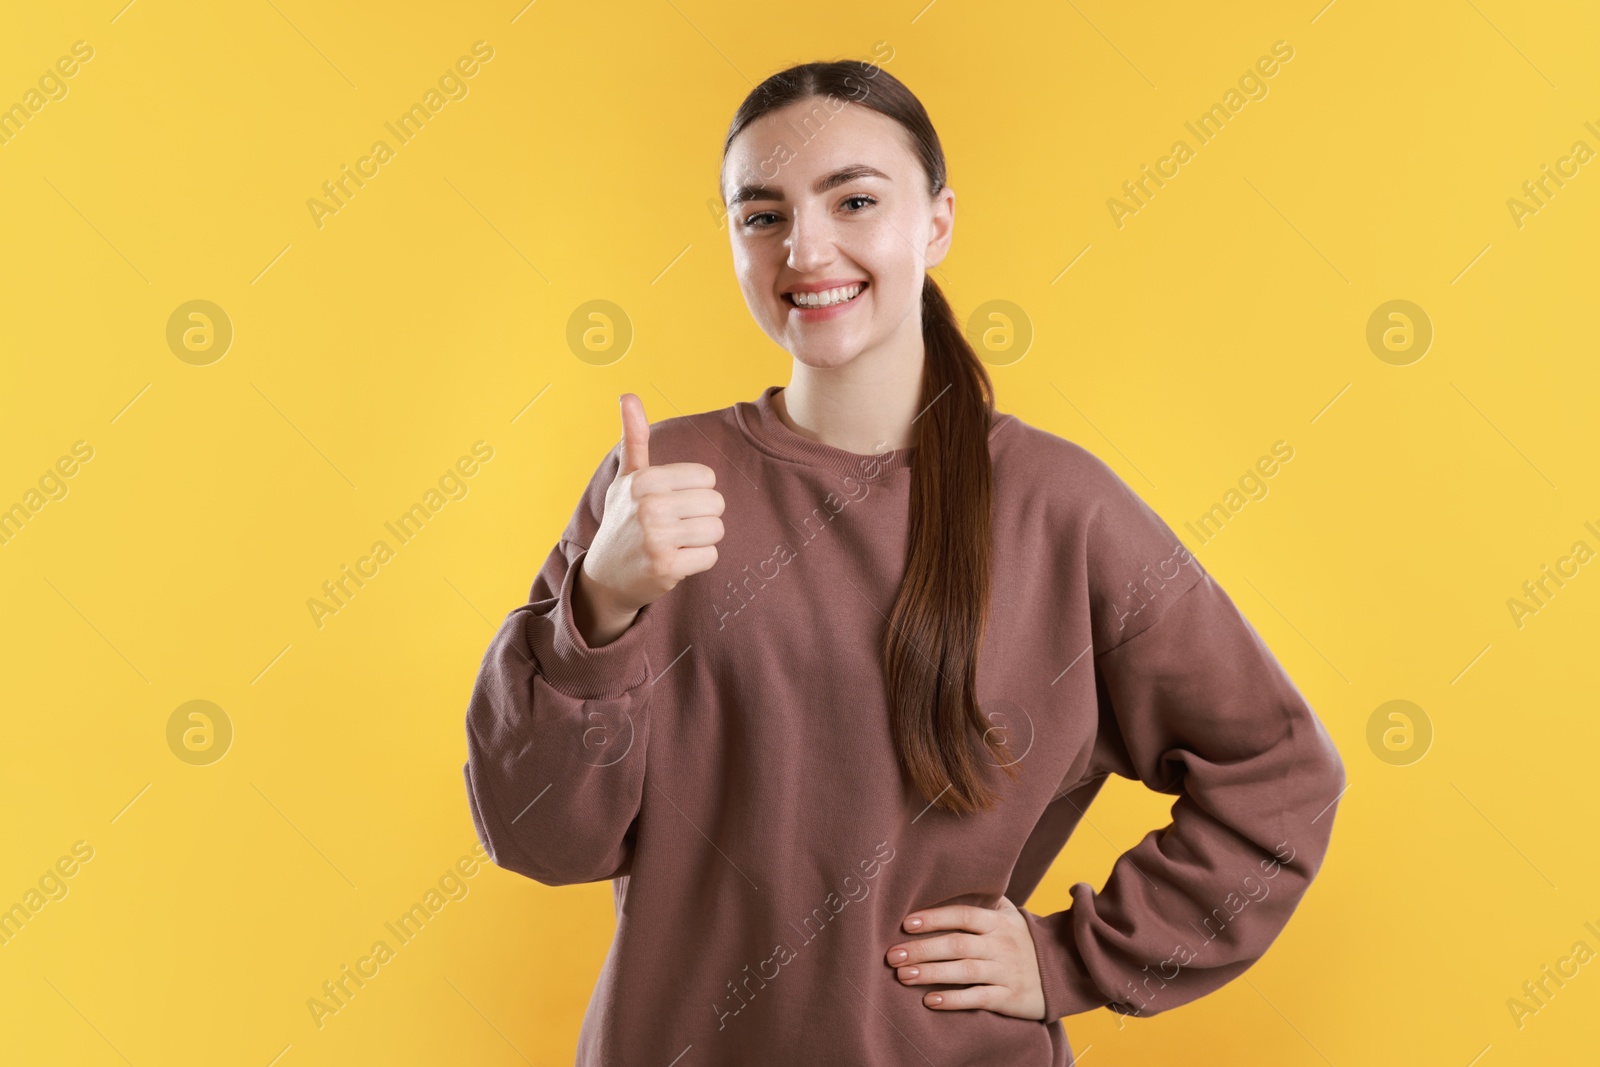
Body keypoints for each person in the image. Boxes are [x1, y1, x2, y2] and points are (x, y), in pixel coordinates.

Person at [461, 58, 1346, 1067]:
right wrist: (597, 608)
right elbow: (541, 839)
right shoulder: (658, 487)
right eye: (761, 215)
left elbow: (1280, 775)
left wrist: (1071, 958)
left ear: (935, 221)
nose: (806, 246)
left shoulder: (1063, 507)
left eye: (854, 199)